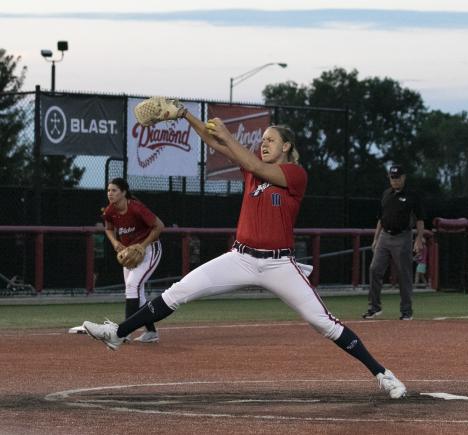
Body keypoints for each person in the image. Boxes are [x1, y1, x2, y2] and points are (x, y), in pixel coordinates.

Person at [82, 109, 406, 399]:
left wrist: (228, 135)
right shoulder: (254, 170)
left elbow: (245, 157)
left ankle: (382, 374)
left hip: (278, 264)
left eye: (271, 140)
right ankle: (117, 333)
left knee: (324, 323)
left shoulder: (295, 174)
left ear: (287, 148)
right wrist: (185, 115)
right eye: (262, 139)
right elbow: (217, 144)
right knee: (178, 292)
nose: (264, 144)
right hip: (240, 258)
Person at [103, 177, 165, 343]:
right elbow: (108, 228)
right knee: (136, 292)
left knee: (132, 286)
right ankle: (151, 332)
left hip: (150, 249)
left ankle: (124, 332)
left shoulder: (136, 208)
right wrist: (116, 242)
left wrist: (143, 246)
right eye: (109, 190)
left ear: (123, 192)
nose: (110, 193)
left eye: (114, 190)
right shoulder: (110, 211)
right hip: (130, 253)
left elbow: (159, 226)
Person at [363, 165, 424, 321]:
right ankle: (374, 307)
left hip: (403, 236)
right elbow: (380, 219)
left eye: (397, 177)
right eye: (392, 178)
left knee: (404, 274)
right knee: (374, 269)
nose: (395, 180)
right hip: (384, 235)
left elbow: (420, 219)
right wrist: (376, 239)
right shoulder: (386, 194)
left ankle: (406, 311)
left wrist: (418, 239)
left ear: (403, 178)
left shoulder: (412, 196)